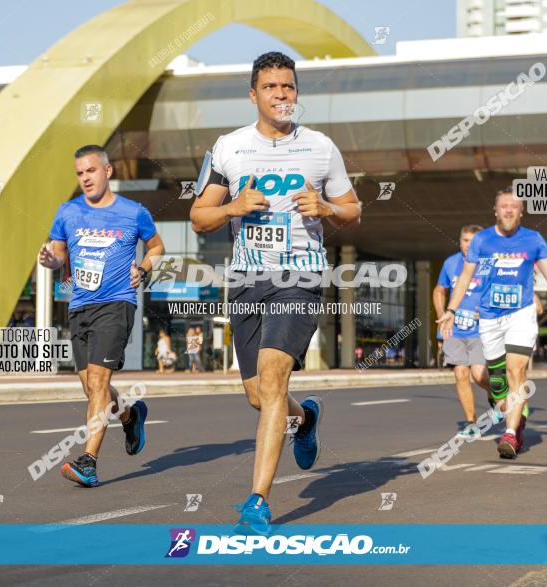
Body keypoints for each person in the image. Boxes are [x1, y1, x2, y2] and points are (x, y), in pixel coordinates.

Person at [190, 51, 361, 535]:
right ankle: (304, 418)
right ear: (254, 95)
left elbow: (353, 210)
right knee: (258, 396)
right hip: (246, 278)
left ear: (296, 94)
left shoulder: (322, 148)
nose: (281, 95)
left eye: (288, 87)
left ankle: (257, 500)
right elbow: (199, 217)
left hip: (299, 277)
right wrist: (232, 207)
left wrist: (326, 206)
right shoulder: (229, 148)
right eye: (271, 87)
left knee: (271, 380)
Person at [39, 144, 165, 487]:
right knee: (90, 386)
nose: (85, 178)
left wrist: (143, 267)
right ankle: (129, 413)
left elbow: (157, 246)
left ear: (107, 171)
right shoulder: (67, 212)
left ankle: (89, 461)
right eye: (80, 173)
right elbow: (58, 253)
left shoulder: (133, 212)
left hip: (117, 303)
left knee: (98, 382)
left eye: (91, 171)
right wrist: (51, 261)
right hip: (80, 306)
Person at [438, 187, 547, 459]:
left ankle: (509, 434)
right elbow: (464, 278)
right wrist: (451, 309)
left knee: (516, 370)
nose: (509, 210)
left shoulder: (534, 240)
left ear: (522, 211)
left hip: (521, 313)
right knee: (497, 382)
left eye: (514, 206)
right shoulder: (481, 241)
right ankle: (516, 418)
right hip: (489, 317)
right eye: (504, 206)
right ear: (495, 211)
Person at [434, 225, 492, 438]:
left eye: (473, 240)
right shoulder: (451, 263)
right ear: (460, 241)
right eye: (465, 240)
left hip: (482, 329)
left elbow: (498, 290)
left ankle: (495, 394)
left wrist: (486, 310)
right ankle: (471, 422)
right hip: (456, 329)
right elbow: (439, 291)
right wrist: (442, 319)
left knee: (479, 374)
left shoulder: (489, 264)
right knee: (460, 373)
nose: (469, 244)